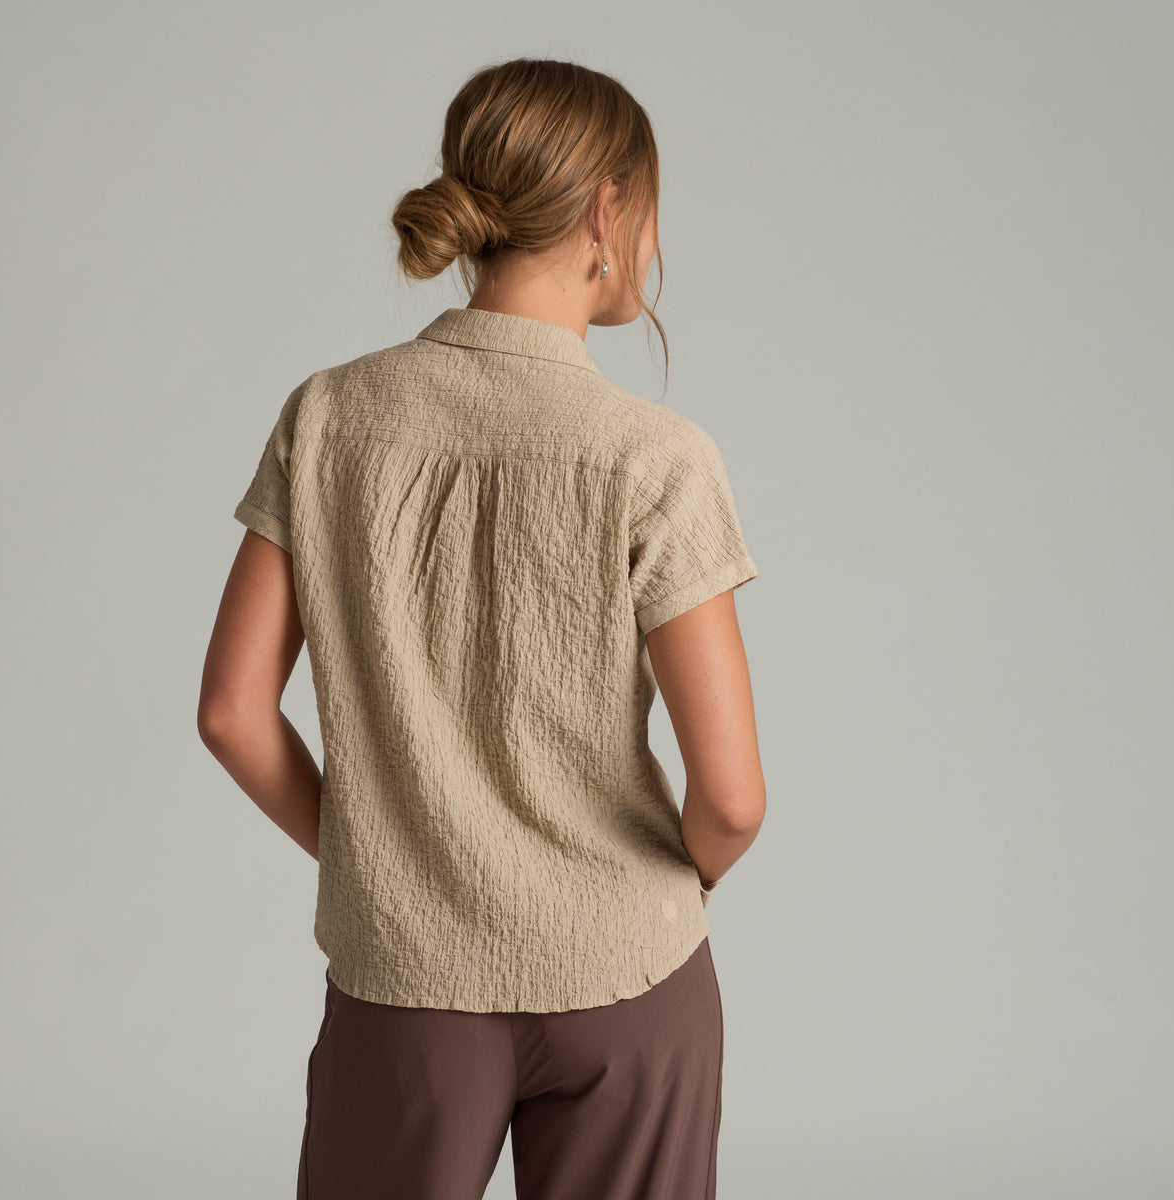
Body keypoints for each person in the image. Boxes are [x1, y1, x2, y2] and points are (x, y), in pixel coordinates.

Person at [198, 56, 767, 1200]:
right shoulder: (655, 457)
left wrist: (383, 865)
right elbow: (732, 801)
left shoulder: (327, 416)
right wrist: (663, 894)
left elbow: (230, 714)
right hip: (628, 982)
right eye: (650, 208)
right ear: (606, 210)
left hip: (402, 983)